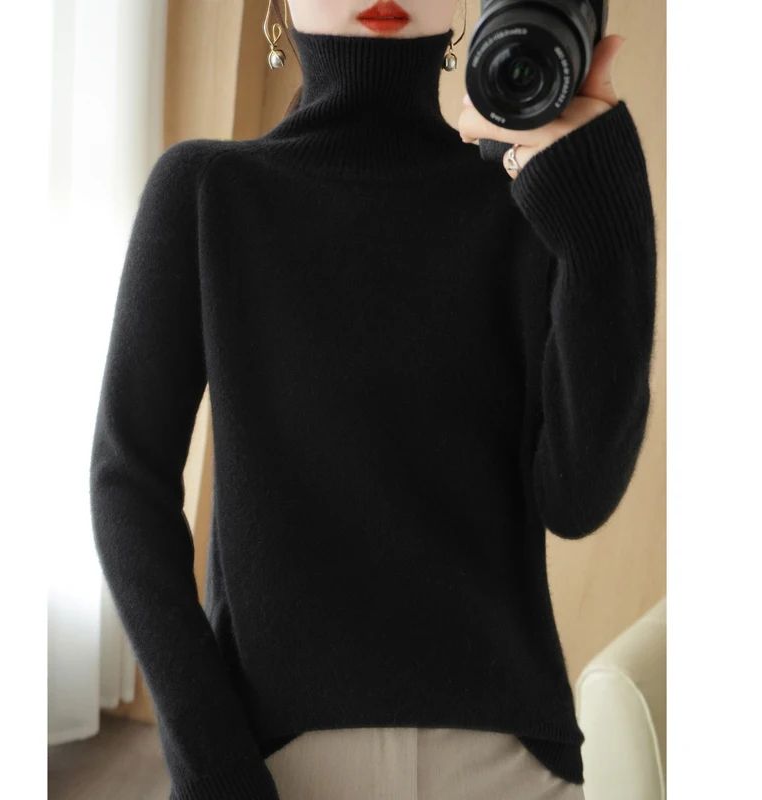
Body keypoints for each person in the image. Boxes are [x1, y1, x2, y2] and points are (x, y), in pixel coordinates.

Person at [88, 0, 657, 798]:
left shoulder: (522, 195)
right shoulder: (208, 189)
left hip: (510, 761)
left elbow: (576, 497)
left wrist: (607, 228)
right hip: (275, 759)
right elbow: (128, 484)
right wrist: (209, 760)